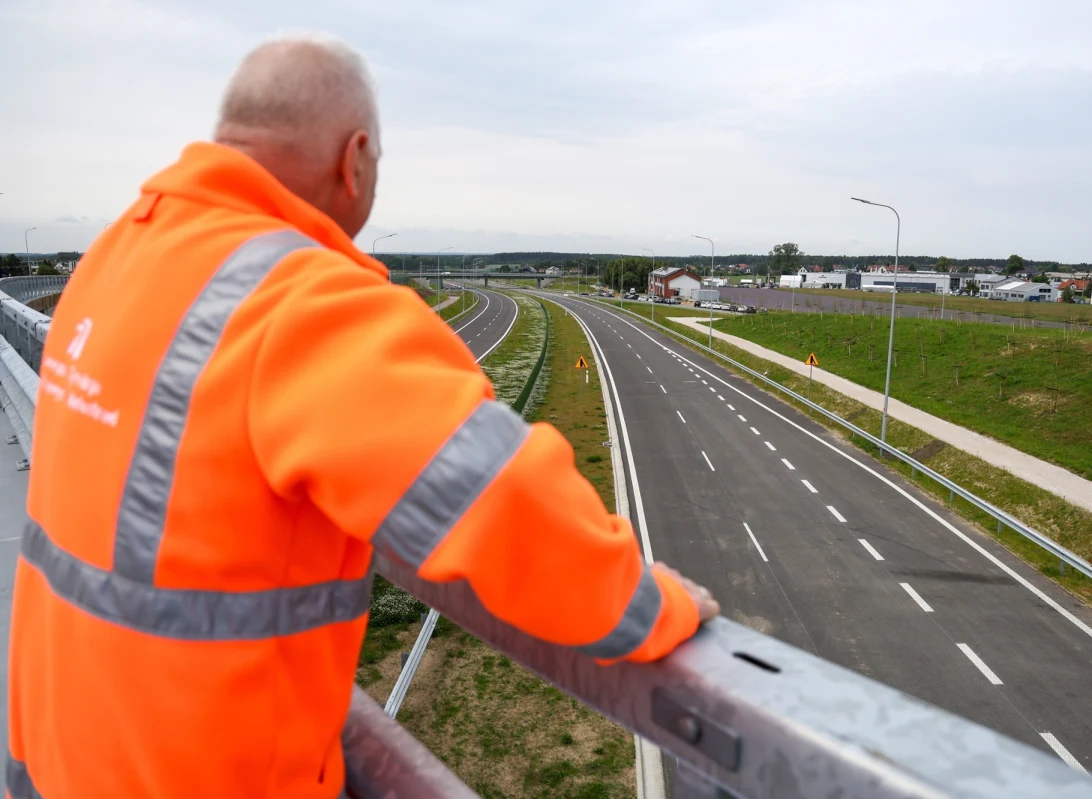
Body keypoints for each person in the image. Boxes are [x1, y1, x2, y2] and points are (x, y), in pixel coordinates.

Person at [6, 35, 718, 799]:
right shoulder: (303, 301)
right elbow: (495, 495)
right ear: (354, 160)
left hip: (55, 761)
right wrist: (651, 606)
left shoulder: (115, 254)